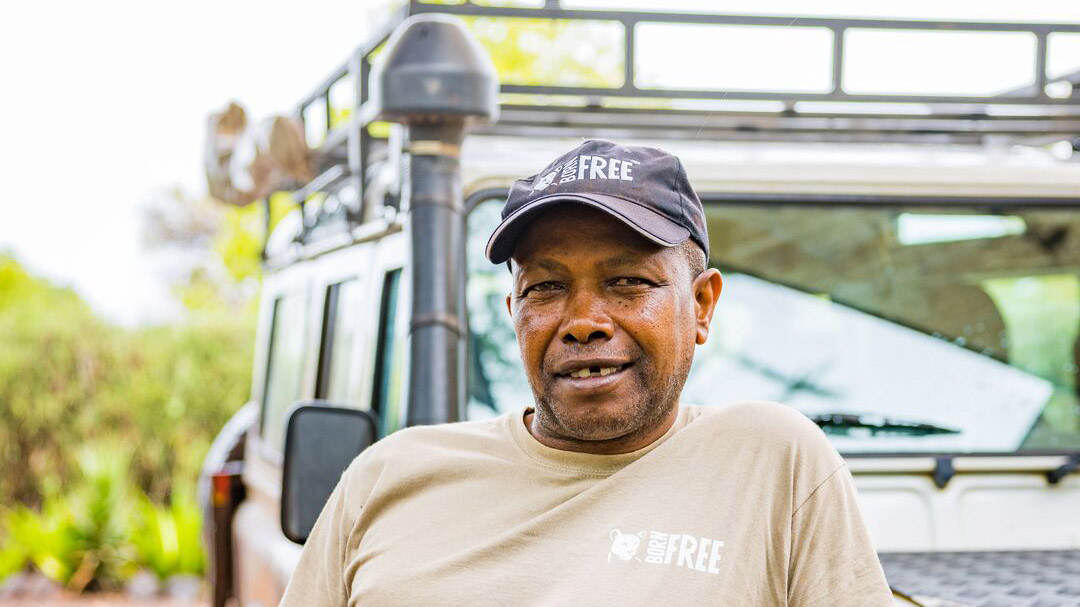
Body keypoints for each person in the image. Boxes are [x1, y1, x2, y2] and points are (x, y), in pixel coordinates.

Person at [279, 140, 894, 606]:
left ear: (702, 306)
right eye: (546, 286)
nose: (583, 321)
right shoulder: (388, 477)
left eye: (628, 282)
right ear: (514, 312)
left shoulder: (773, 463)